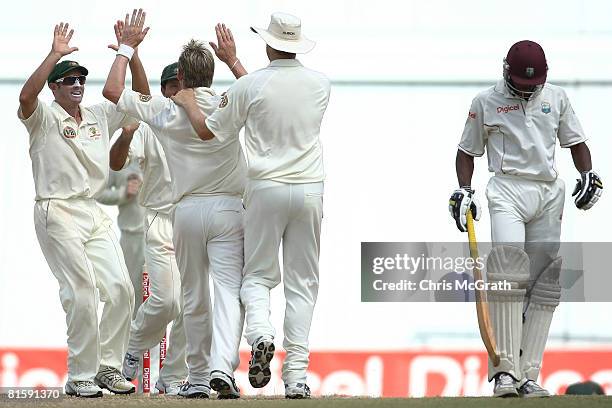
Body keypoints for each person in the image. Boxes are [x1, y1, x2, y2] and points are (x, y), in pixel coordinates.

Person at [173, 12, 331, 399]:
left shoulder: (251, 85)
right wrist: (234, 64)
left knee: (258, 277)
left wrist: (189, 102)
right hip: (310, 188)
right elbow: (264, 91)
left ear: (269, 43)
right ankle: (295, 377)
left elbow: (211, 128)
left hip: (265, 188)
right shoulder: (321, 84)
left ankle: (261, 333)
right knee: (303, 283)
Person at [102, 11, 248, 399]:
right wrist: (233, 59)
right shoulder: (228, 102)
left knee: (193, 300)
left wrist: (126, 49)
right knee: (219, 296)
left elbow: (113, 92)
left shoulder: (166, 112)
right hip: (219, 210)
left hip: (186, 213)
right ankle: (218, 371)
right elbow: (257, 92)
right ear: (210, 75)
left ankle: (195, 377)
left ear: (180, 79)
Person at [449, 40, 603, 397]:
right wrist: (464, 189)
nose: (527, 89)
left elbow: (576, 142)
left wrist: (588, 173)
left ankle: (529, 373)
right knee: (507, 272)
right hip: (507, 189)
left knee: (545, 284)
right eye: (521, 81)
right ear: (506, 70)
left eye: (533, 84)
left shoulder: (557, 97)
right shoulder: (485, 102)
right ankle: (505, 373)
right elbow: (466, 151)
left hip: (549, 192)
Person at [16, 19, 150, 397]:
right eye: (68, 80)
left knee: (122, 289)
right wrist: (55, 54)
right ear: (55, 87)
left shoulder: (98, 116)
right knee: (82, 291)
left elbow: (140, 99)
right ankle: (80, 376)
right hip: (56, 210)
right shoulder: (43, 117)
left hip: (92, 211)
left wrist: (131, 52)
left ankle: (108, 368)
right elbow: (26, 98)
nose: (76, 85)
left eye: (80, 80)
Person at [109, 63, 187, 396]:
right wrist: (126, 134)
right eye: (170, 86)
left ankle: (173, 376)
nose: (176, 92)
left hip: (194, 220)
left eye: (182, 85)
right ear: (164, 90)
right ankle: (131, 348)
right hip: (158, 220)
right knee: (167, 301)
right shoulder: (150, 125)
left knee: (193, 306)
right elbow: (115, 163)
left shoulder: (202, 119)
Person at [96, 162, 145, 315]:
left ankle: (164, 339)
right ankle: (134, 337)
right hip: (133, 238)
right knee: (134, 292)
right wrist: (123, 194)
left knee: (170, 294)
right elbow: (98, 192)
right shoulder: (121, 157)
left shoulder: (163, 148)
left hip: (166, 234)